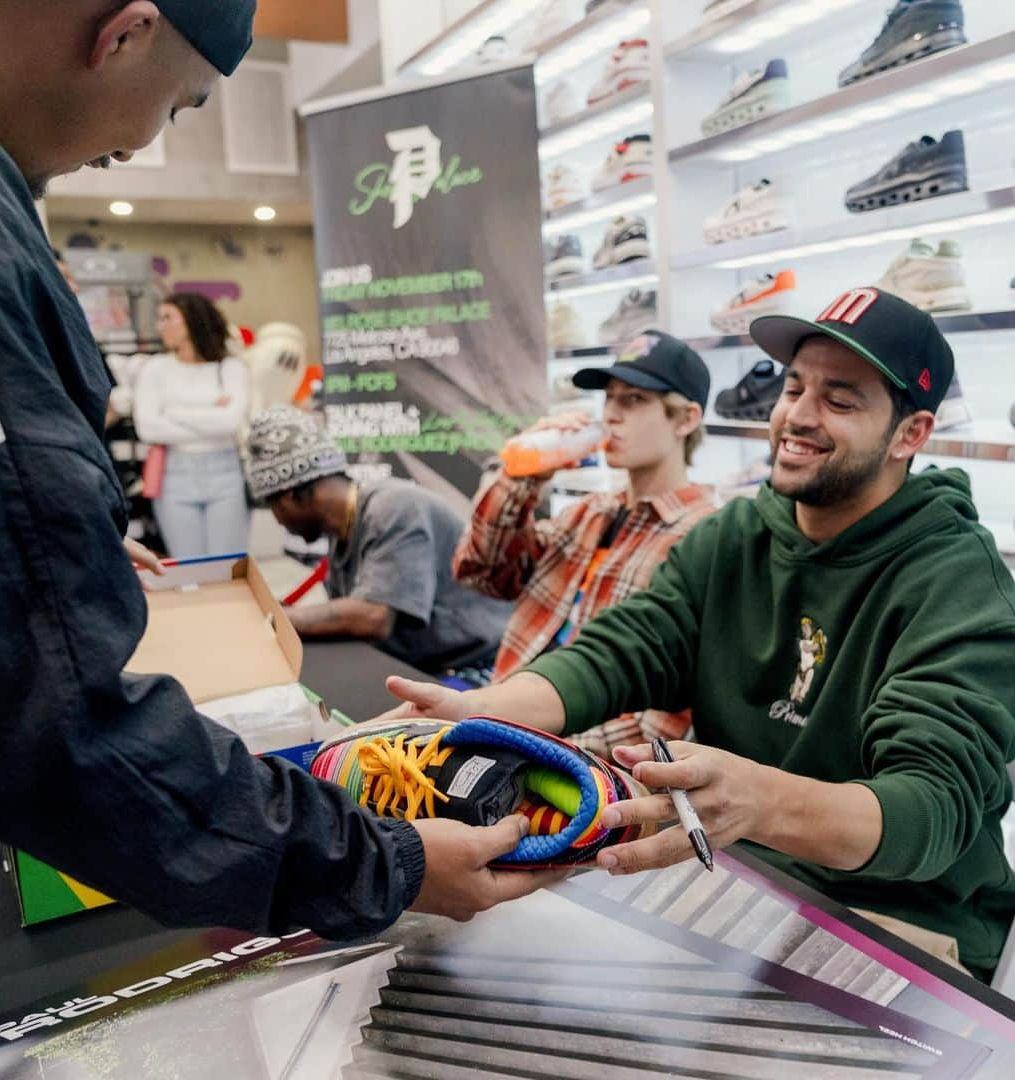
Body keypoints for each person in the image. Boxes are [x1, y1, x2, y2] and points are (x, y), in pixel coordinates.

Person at [0, 0, 558, 940]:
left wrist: (50, 567)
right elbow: (59, 715)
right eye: (183, 107)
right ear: (125, 34)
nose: (141, 146)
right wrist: (379, 862)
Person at [383, 288, 1015, 980]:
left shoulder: (959, 582)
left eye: (839, 400)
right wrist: (479, 713)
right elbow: (621, 651)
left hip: (899, 929)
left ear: (911, 433)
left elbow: (930, 810)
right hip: (734, 887)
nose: (796, 417)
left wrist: (759, 802)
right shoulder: (733, 538)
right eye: (793, 387)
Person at [454, 333, 718, 757]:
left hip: (573, 766)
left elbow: (665, 716)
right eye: (610, 398)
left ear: (685, 419)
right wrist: (523, 477)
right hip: (498, 726)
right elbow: (482, 571)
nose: (611, 414)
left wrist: (528, 747)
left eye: (633, 400)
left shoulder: (704, 536)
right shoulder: (590, 513)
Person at [245, 406, 513, 674]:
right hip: (430, 664)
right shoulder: (345, 533)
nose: (277, 519)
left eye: (273, 505)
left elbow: (374, 617)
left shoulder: (394, 507)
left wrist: (274, 618)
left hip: (482, 667)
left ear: (295, 496)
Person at [133, 292, 252, 557]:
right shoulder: (156, 368)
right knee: (189, 567)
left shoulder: (230, 368)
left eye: (168, 318)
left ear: (191, 320)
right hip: (174, 475)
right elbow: (148, 428)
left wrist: (173, 412)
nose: (160, 325)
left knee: (228, 565)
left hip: (225, 472)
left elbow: (231, 422)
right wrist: (210, 412)